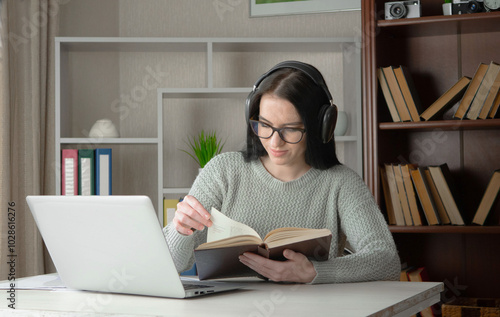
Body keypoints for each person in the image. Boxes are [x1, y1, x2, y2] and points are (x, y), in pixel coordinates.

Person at [163, 61, 400, 284]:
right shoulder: (222, 171)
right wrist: (179, 228)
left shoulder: (341, 183)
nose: (275, 142)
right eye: (264, 125)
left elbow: (387, 262)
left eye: (291, 129)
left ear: (321, 127)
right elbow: (170, 264)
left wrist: (314, 272)